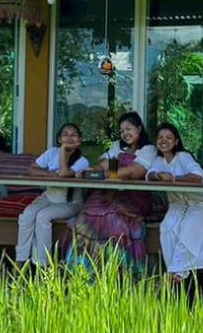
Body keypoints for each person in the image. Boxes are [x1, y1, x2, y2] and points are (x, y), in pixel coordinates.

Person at [64, 111, 158, 276]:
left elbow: (134, 171)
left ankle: (117, 272)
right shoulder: (117, 147)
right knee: (86, 215)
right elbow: (103, 165)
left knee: (112, 216)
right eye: (122, 131)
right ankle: (84, 271)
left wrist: (107, 175)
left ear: (139, 128)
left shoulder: (148, 149)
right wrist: (90, 171)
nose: (125, 134)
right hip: (109, 193)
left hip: (134, 196)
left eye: (128, 129)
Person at [146, 122, 203, 281]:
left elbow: (197, 177)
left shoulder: (183, 156)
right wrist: (159, 176)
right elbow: (150, 174)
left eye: (169, 137)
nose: (164, 140)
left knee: (188, 228)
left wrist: (174, 179)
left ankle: (175, 273)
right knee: (167, 227)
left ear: (176, 141)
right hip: (181, 203)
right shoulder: (159, 160)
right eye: (161, 137)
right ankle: (174, 271)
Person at [15, 122, 90, 265]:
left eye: (73, 135)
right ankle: (21, 261)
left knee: (43, 216)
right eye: (65, 135)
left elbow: (63, 174)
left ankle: (43, 266)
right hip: (48, 197)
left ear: (79, 140)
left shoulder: (82, 161)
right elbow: (30, 170)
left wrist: (63, 150)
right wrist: (47, 173)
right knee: (27, 215)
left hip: (70, 202)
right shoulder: (51, 153)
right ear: (59, 138)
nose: (69, 138)